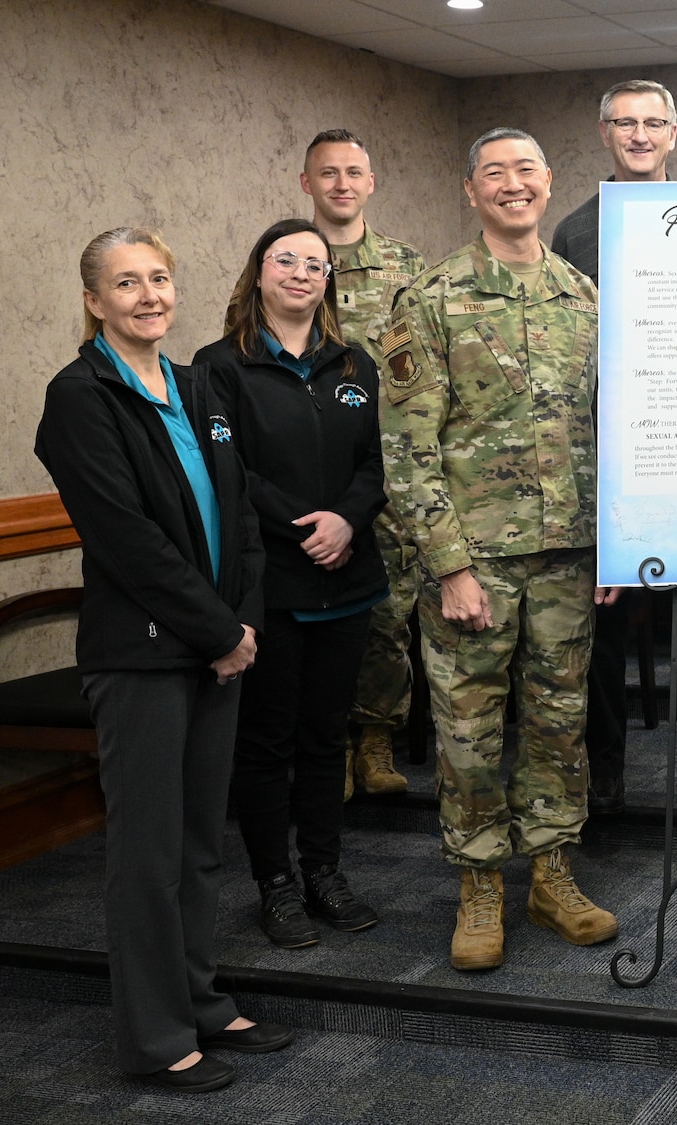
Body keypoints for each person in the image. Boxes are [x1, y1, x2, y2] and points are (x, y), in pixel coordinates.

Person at [36, 227, 290, 1091]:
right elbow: (128, 541)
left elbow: (243, 515)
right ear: (95, 301)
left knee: (195, 846)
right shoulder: (80, 396)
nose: (149, 295)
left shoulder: (198, 385)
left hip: (219, 650)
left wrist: (241, 624)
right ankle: (154, 1038)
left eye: (160, 278)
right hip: (144, 659)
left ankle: (202, 1002)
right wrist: (220, 633)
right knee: (145, 855)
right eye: (126, 282)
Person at [381, 127, 618, 971]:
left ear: (549, 183)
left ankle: (552, 873)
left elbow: (609, 429)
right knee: (471, 732)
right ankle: (480, 882)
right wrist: (448, 566)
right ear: (470, 190)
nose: (513, 185)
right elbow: (408, 447)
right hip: (472, 563)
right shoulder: (433, 298)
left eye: (526, 171)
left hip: (568, 556)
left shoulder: (583, 297)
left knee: (559, 722)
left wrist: (614, 547)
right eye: (495, 173)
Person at [549, 78, 677, 811]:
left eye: (654, 123)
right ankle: (604, 765)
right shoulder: (575, 231)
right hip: (612, 455)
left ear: (675, 133)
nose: (640, 135)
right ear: (604, 132)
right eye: (625, 123)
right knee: (602, 619)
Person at [196, 219, 387, 950]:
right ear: (259, 271)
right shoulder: (218, 365)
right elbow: (230, 472)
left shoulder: (354, 365)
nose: (302, 272)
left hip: (348, 580)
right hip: (269, 583)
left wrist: (345, 518)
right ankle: (275, 883)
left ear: (329, 280)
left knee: (325, 734)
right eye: (287, 259)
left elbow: (378, 460)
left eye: (317, 262)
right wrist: (304, 526)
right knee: (267, 741)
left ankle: (324, 873)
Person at [301, 128, 427, 800]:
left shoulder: (407, 267)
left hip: (390, 466)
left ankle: (376, 740)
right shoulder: (290, 262)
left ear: (371, 183)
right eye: (328, 173)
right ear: (307, 185)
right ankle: (330, 746)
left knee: (386, 614)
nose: (342, 184)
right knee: (323, 617)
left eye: (353, 172)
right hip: (314, 468)